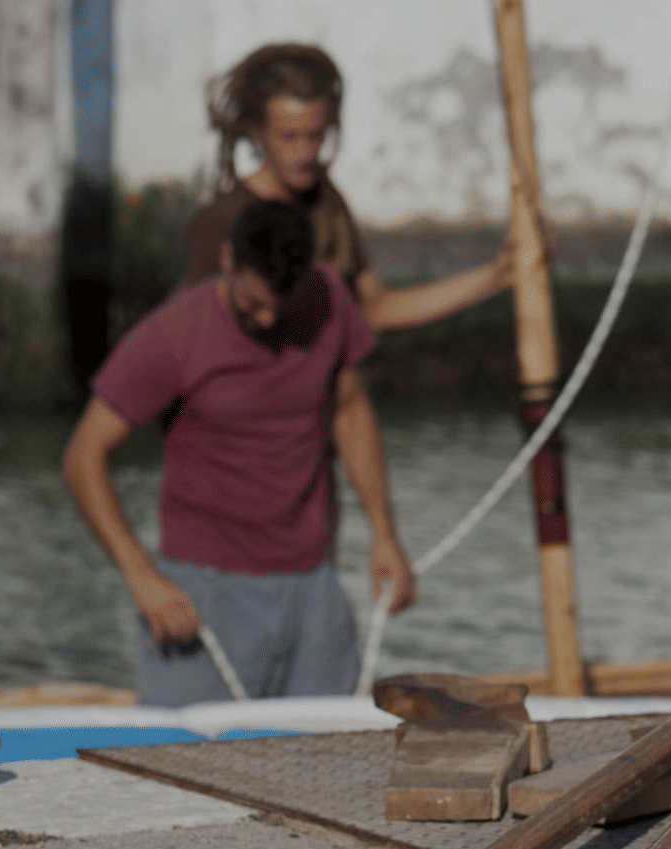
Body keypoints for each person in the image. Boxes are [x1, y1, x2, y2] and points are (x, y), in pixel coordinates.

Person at [62, 197, 417, 706]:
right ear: (227, 259)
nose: (270, 320)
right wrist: (143, 579)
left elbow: (350, 409)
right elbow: (82, 457)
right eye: (253, 305)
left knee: (331, 766)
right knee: (184, 776)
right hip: (202, 595)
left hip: (313, 591)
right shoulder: (173, 335)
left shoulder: (328, 297)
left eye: (282, 304)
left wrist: (385, 534)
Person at [181, 43, 514, 332]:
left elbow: (374, 310)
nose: (305, 154)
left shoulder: (325, 202)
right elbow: (200, 344)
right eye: (289, 137)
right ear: (257, 131)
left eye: (316, 135)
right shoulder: (222, 221)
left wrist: (495, 276)